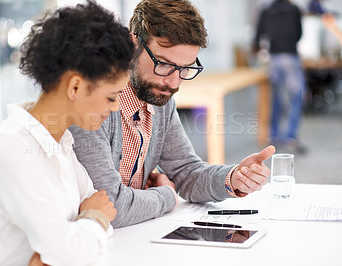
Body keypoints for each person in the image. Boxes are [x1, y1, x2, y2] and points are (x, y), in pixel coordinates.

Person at [0, 2, 134, 265]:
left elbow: (103, 209)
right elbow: (77, 240)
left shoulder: (62, 143)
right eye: (111, 97)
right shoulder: (9, 146)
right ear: (75, 86)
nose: (115, 109)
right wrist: (89, 221)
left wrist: (81, 229)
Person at [70, 0, 275, 229]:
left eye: (185, 68)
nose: (174, 82)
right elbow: (109, 206)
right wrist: (166, 195)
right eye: (165, 64)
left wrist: (233, 177)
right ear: (132, 45)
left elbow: (185, 171)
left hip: (133, 235)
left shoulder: (160, 102)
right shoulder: (95, 104)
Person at [253, 0, 307, 154]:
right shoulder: (294, 9)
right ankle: (291, 138)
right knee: (296, 97)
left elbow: (258, 36)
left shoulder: (266, 10)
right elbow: (299, 33)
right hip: (290, 56)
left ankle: (273, 137)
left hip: (274, 58)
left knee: (275, 98)